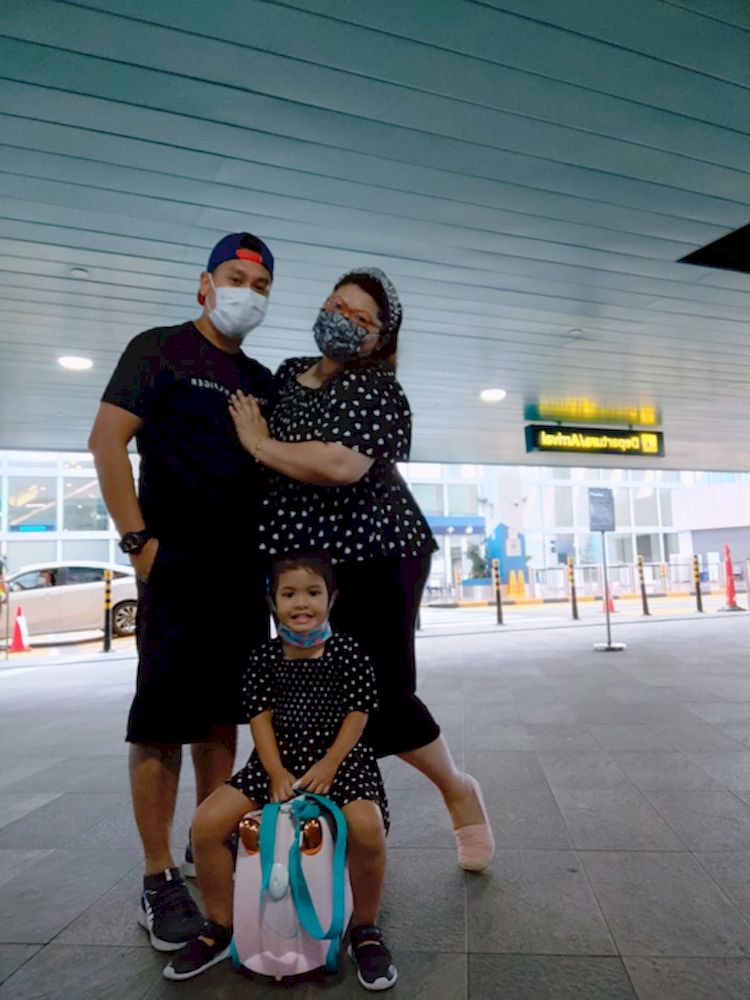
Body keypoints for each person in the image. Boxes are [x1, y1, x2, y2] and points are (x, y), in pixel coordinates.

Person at [229, 267, 494, 872]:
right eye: (336, 305)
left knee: (378, 692)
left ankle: (457, 788)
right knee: (313, 691)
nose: (343, 321)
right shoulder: (287, 373)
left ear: (379, 340)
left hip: (377, 553)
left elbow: (340, 464)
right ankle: (337, 826)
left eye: (361, 320)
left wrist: (260, 445)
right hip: (303, 561)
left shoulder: (377, 388)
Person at [88, 232, 277, 953]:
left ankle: (210, 842)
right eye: (236, 279)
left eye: (260, 286)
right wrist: (140, 544)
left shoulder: (258, 378)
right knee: (162, 722)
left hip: (239, 577)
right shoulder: (159, 348)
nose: (247, 295)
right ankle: (158, 874)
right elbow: (107, 442)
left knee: (223, 719)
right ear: (205, 284)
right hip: (173, 568)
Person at [164, 552, 395, 991]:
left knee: (367, 829)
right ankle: (220, 924)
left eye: (313, 592)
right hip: (276, 761)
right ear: (272, 602)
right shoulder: (263, 657)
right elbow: (260, 719)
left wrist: (329, 764)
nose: (301, 603)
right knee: (206, 825)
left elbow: (358, 713)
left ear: (332, 598)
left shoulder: (348, 651)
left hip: (341, 762)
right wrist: (274, 772)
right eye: (289, 593)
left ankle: (365, 929)